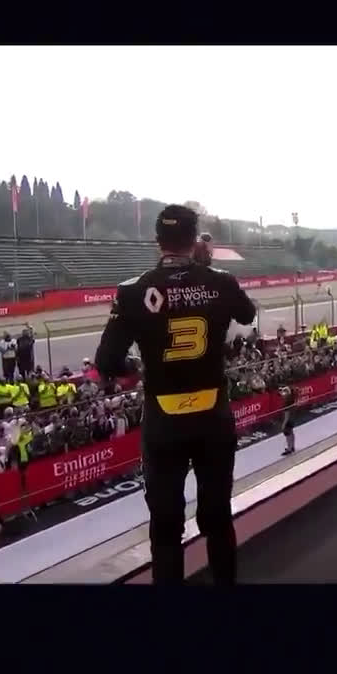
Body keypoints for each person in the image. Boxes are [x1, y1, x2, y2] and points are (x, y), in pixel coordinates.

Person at [95, 204, 256, 585]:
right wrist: (204, 269)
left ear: (157, 241)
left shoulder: (133, 291)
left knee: (166, 529)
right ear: (194, 240)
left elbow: (107, 361)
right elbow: (247, 315)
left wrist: (137, 367)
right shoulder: (220, 281)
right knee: (217, 518)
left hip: (164, 422)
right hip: (213, 416)